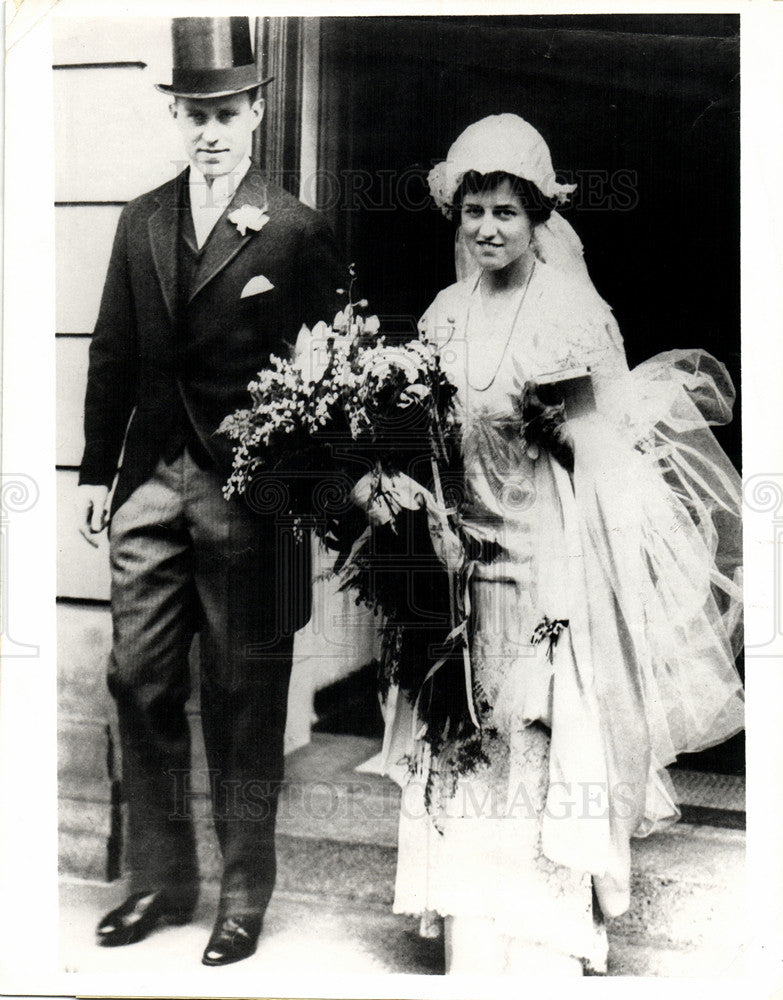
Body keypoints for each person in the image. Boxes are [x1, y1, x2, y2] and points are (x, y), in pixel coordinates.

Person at [383, 114, 744, 975]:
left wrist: (566, 431)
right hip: (465, 556)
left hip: (549, 559)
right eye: (474, 210)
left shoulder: (572, 312)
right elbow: (430, 438)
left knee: (538, 729)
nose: (487, 229)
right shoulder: (442, 313)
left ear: (538, 214)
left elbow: (613, 455)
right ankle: (473, 914)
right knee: (469, 731)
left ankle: (542, 923)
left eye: (506, 211)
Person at [76, 17, 339, 966]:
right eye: (195, 114)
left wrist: (302, 491)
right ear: (177, 117)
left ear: (259, 111)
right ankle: (161, 881)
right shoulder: (140, 218)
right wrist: (96, 474)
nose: (211, 130)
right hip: (149, 482)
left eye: (227, 112)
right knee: (137, 679)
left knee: (242, 693)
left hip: (249, 496)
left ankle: (241, 896)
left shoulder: (297, 228)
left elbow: (333, 372)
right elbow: (110, 352)